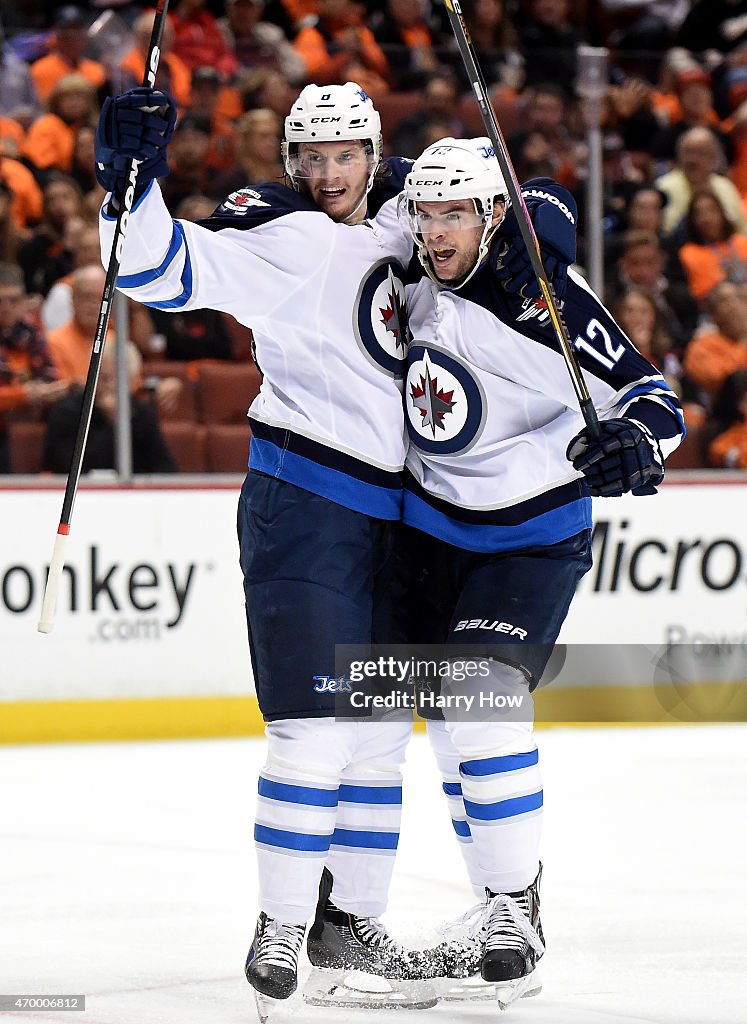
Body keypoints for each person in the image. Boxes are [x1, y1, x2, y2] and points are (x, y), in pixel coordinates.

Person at [93, 78, 574, 1013]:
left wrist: (509, 216)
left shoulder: (406, 218)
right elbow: (156, 268)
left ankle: (353, 927)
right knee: (315, 730)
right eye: (307, 158)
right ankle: (281, 924)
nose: (325, 174)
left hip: (399, 518)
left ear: (375, 152)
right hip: (307, 500)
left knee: (381, 732)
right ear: (286, 162)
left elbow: (532, 211)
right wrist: (130, 175)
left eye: (344, 154)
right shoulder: (283, 238)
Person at [396, 137, 684, 1002]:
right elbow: (548, 192)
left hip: (528, 534)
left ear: (489, 216)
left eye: (455, 212)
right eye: (426, 211)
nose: (434, 229)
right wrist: (544, 208)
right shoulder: (410, 269)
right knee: (447, 722)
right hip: (430, 529)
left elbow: (653, 398)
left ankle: (516, 905)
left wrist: (636, 445)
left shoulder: (542, 299)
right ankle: (493, 902)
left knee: (476, 703)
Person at [42, 338, 176, 475]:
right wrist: (111, 422)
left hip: (132, 492)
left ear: (132, 381)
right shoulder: (67, 412)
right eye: (103, 378)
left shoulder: (141, 413)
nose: (110, 386)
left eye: (118, 379)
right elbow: (66, 467)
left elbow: (165, 467)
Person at [0, 262, 68, 473]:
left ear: (24, 302)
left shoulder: (33, 334)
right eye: (0, 301)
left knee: (70, 409)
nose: (6, 307)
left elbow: (49, 375)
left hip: (34, 408)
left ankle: (56, 475)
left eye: (14, 300)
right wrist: (24, 394)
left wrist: (49, 390)